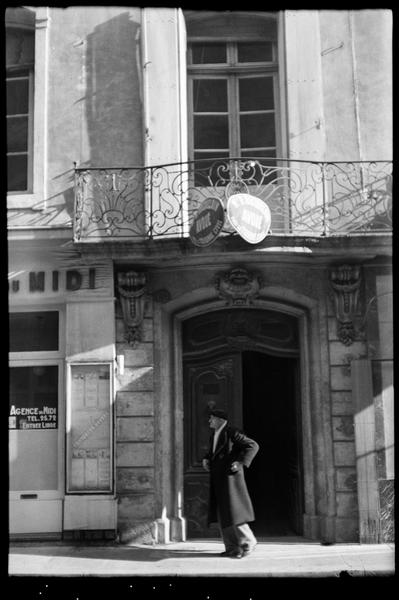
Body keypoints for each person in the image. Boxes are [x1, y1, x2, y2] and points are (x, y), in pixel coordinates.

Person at [202, 408, 259, 558]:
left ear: (220, 419)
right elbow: (214, 452)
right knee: (223, 513)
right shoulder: (214, 434)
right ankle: (232, 547)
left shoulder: (232, 431)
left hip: (230, 478)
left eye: (212, 418)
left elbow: (253, 445)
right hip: (218, 478)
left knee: (235, 512)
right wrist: (206, 458)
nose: (209, 421)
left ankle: (248, 542)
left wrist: (240, 463)